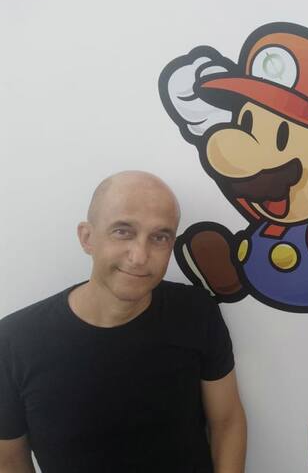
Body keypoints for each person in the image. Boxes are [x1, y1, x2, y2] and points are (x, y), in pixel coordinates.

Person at [0, 171, 247, 473]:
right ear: (87, 237)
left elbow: (227, 421)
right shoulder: (14, 341)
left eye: (159, 237)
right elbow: (9, 460)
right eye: (123, 231)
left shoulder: (196, 311)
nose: (140, 256)